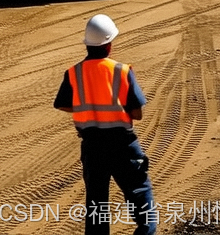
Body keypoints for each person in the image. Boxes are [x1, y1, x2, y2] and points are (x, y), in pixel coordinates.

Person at [54, 14, 156, 235]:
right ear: (109, 45)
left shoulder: (74, 73)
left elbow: (62, 103)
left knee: (96, 205)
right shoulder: (122, 71)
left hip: (92, 147)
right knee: (142, 200)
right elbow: (137, 113)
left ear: (87, 45)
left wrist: (87, 109)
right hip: (123, 146)